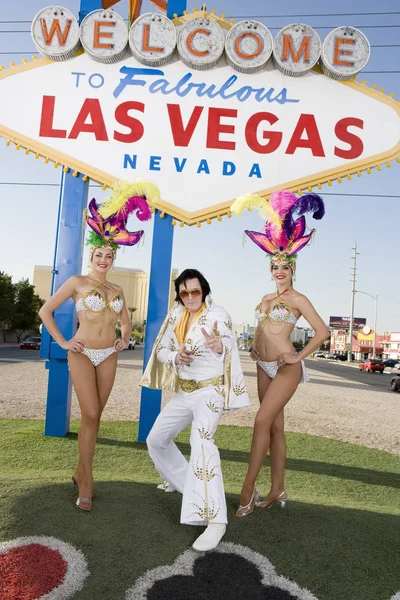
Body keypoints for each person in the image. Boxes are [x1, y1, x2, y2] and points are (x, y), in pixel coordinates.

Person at [39, 180, 158, 511]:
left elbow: (126, 320)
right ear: (90, 255)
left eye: (108, 255)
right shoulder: (77, 282)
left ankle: (80, 471)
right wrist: (64, 340)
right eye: (99, 254)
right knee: (90, 412)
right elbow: (45, 310)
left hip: (109, 355)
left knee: (95, 416)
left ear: (113, 258)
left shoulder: (118, 290)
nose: (103, 259)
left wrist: (125, 337)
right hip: (81, 352)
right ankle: (88, 482)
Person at [230, 190, 330, 516]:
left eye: (285, 266)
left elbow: (323, 332)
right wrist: (253, 348)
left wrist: (298, 358)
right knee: (274, 427)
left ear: (293, 268)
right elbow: (262, 330)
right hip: (263, 365)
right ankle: (278, 488)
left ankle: (248, 487)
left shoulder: (298, 299)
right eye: (275, 266)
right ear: (270, 268)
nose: (279, 271)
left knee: (260, 421)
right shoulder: (265, 298)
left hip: (286, 367)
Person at [141, 268, 249, 551]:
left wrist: (217, 345)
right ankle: (189, 487)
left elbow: (228, 343)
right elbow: (161, 350)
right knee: (156, 440)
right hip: (183, 392)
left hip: (209, 392)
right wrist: (175, 356)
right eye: (184, 292)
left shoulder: (218, 315)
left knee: (201, 442)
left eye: (195, 292)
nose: (189, 297)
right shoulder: (175, 315)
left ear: (205, 291)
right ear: (179, 293)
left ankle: (215, 521)